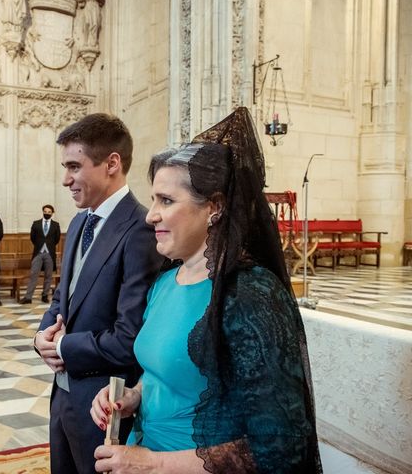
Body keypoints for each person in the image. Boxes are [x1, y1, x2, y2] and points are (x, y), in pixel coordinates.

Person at [90, 107, 322, 474]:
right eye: (153, 200)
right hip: (142, 453)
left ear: (213, 207)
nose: (151, 214)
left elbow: (281, 446)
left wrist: (154, 465)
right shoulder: (166, 281)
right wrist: (134, 396)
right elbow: (166, 374)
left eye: (166, 201)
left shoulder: (250, 293)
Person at [35, 113, 163, 474]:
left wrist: (62, 348)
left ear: (111, 163)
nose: (65, 179)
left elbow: (129, 339)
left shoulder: (141, 229)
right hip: (62, 395)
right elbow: (64, 296)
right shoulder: (79, 223)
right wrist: (40, 338)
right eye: (65, 167)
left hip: (104, 403)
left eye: (74, 166)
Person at [20, 204, 61, 304]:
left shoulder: (56, 225)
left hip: (50, 254)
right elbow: (32, 238)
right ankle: (28, 297)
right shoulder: (36, 224)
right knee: (33, 274)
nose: (47, 213)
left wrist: (49, 246)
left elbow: (57, 239)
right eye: (45, 212)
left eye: (49, 212)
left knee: (48, 276)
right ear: (43, 212)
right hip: (38, 252)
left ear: (52, 213)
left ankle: (45, 295)